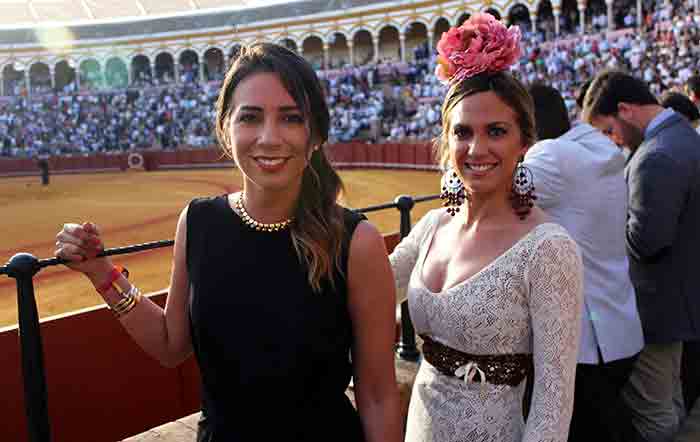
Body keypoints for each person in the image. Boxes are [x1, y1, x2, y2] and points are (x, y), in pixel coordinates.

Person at [53, 43, 401, 442]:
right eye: (250, 117)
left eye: (290, 118)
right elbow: (170, 344)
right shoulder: (199, 221)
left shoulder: (357, 242)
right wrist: (101, 272)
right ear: (225, 127)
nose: (269, 138)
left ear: (316, 134)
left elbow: (377, 395)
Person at [389, 14, 584, 442]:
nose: (477, 149)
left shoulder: (548, 249)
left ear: (523, 144)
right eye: (463, 132)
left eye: (496, 131)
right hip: (419, 425)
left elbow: (553, 402)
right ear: (447, 141)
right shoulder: (433, 225)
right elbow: (371, 286)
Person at [583, 69, 700, 442]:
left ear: (625, 110)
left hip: (657, 307)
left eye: (608, 130)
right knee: (670, 400)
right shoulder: (683, 137)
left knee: (654, 413)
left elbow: (647, 241)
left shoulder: (655, 157)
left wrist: (603, 219)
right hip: (678, 298)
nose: (611, 141)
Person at [524, 83, 644, 442]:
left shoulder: (549, 157)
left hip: (584, 345)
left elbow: (483, 194)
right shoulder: (598, 147)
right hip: (620, 325)